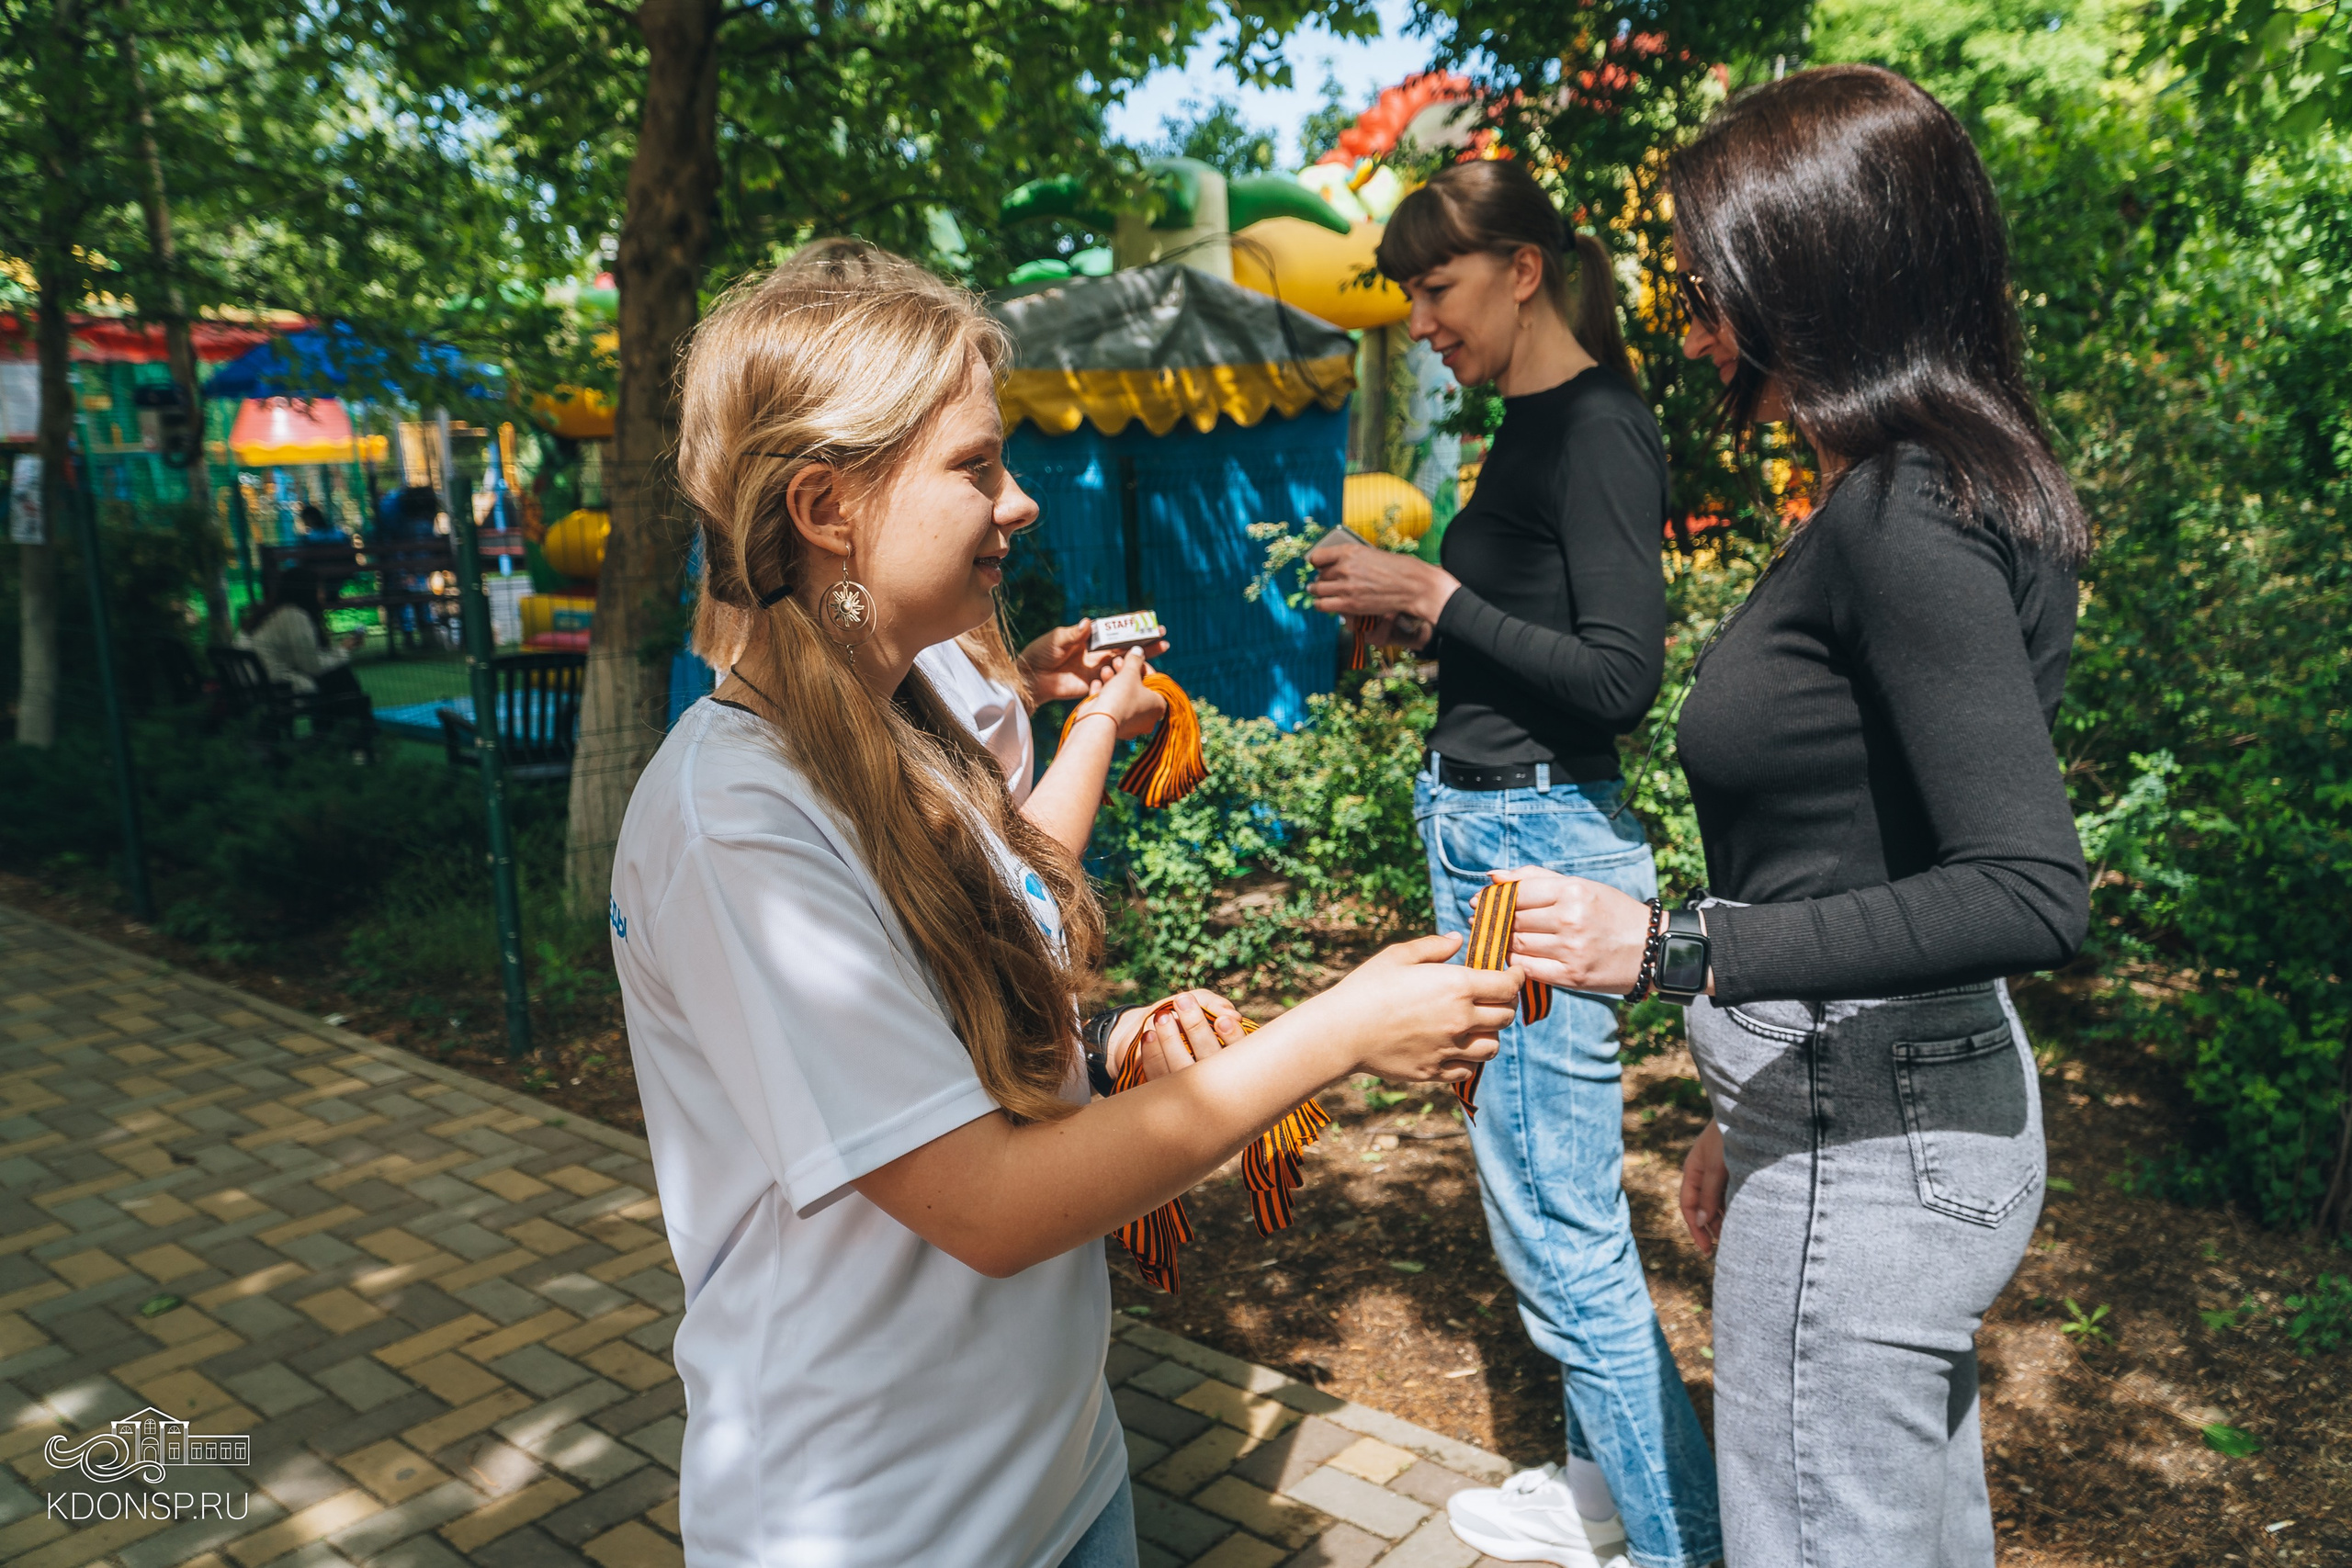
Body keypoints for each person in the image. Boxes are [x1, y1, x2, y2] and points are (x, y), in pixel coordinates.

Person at [607, 238, 1522, 1568]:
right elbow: (985, 1202)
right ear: (826, 506)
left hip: (1059, 1471)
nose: (1020, 503)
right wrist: (1336, 1030)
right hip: (889, 1528)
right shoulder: (733, 819)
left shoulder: (907, 730)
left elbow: (969, 998)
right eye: (976, 466)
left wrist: (1107, 1048)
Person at [1497, 65, 2091, 1568]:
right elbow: (1868, 841)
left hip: (1865, 1136)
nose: (1696, 329)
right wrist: (1746, 1108)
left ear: (1821, 275)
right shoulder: (1952, 486)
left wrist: (1677, 949)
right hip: (1861, 1106)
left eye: (1712, 291)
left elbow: (2028, 888)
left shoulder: (1903, 512)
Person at [1307, 157, 1719, 1568]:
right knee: (1537, 1197)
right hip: (1489, 826)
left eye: (1437, 288)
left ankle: (1683, 1541)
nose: (1422, 321)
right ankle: (1602, 1490)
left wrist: (1437, 590)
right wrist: (1423, 624)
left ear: (1522, 268)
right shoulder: (1526, 424)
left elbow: (1621, 679)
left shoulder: (1597, 423)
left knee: (1561, 1227)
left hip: (1535, 845)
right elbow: (1531, 641)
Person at [234, 566, 373, 743]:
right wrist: (344, 650)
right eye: (320, 589)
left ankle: (334, 735)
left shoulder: (272, 612)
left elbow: (304, 659)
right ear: (308, 591)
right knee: (340, 677)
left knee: (337, 677)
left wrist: (337, 651)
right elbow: (312, 666)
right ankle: (354, 736)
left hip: (255, 683)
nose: (323, 595)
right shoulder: (294, 616)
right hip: (274, 687)